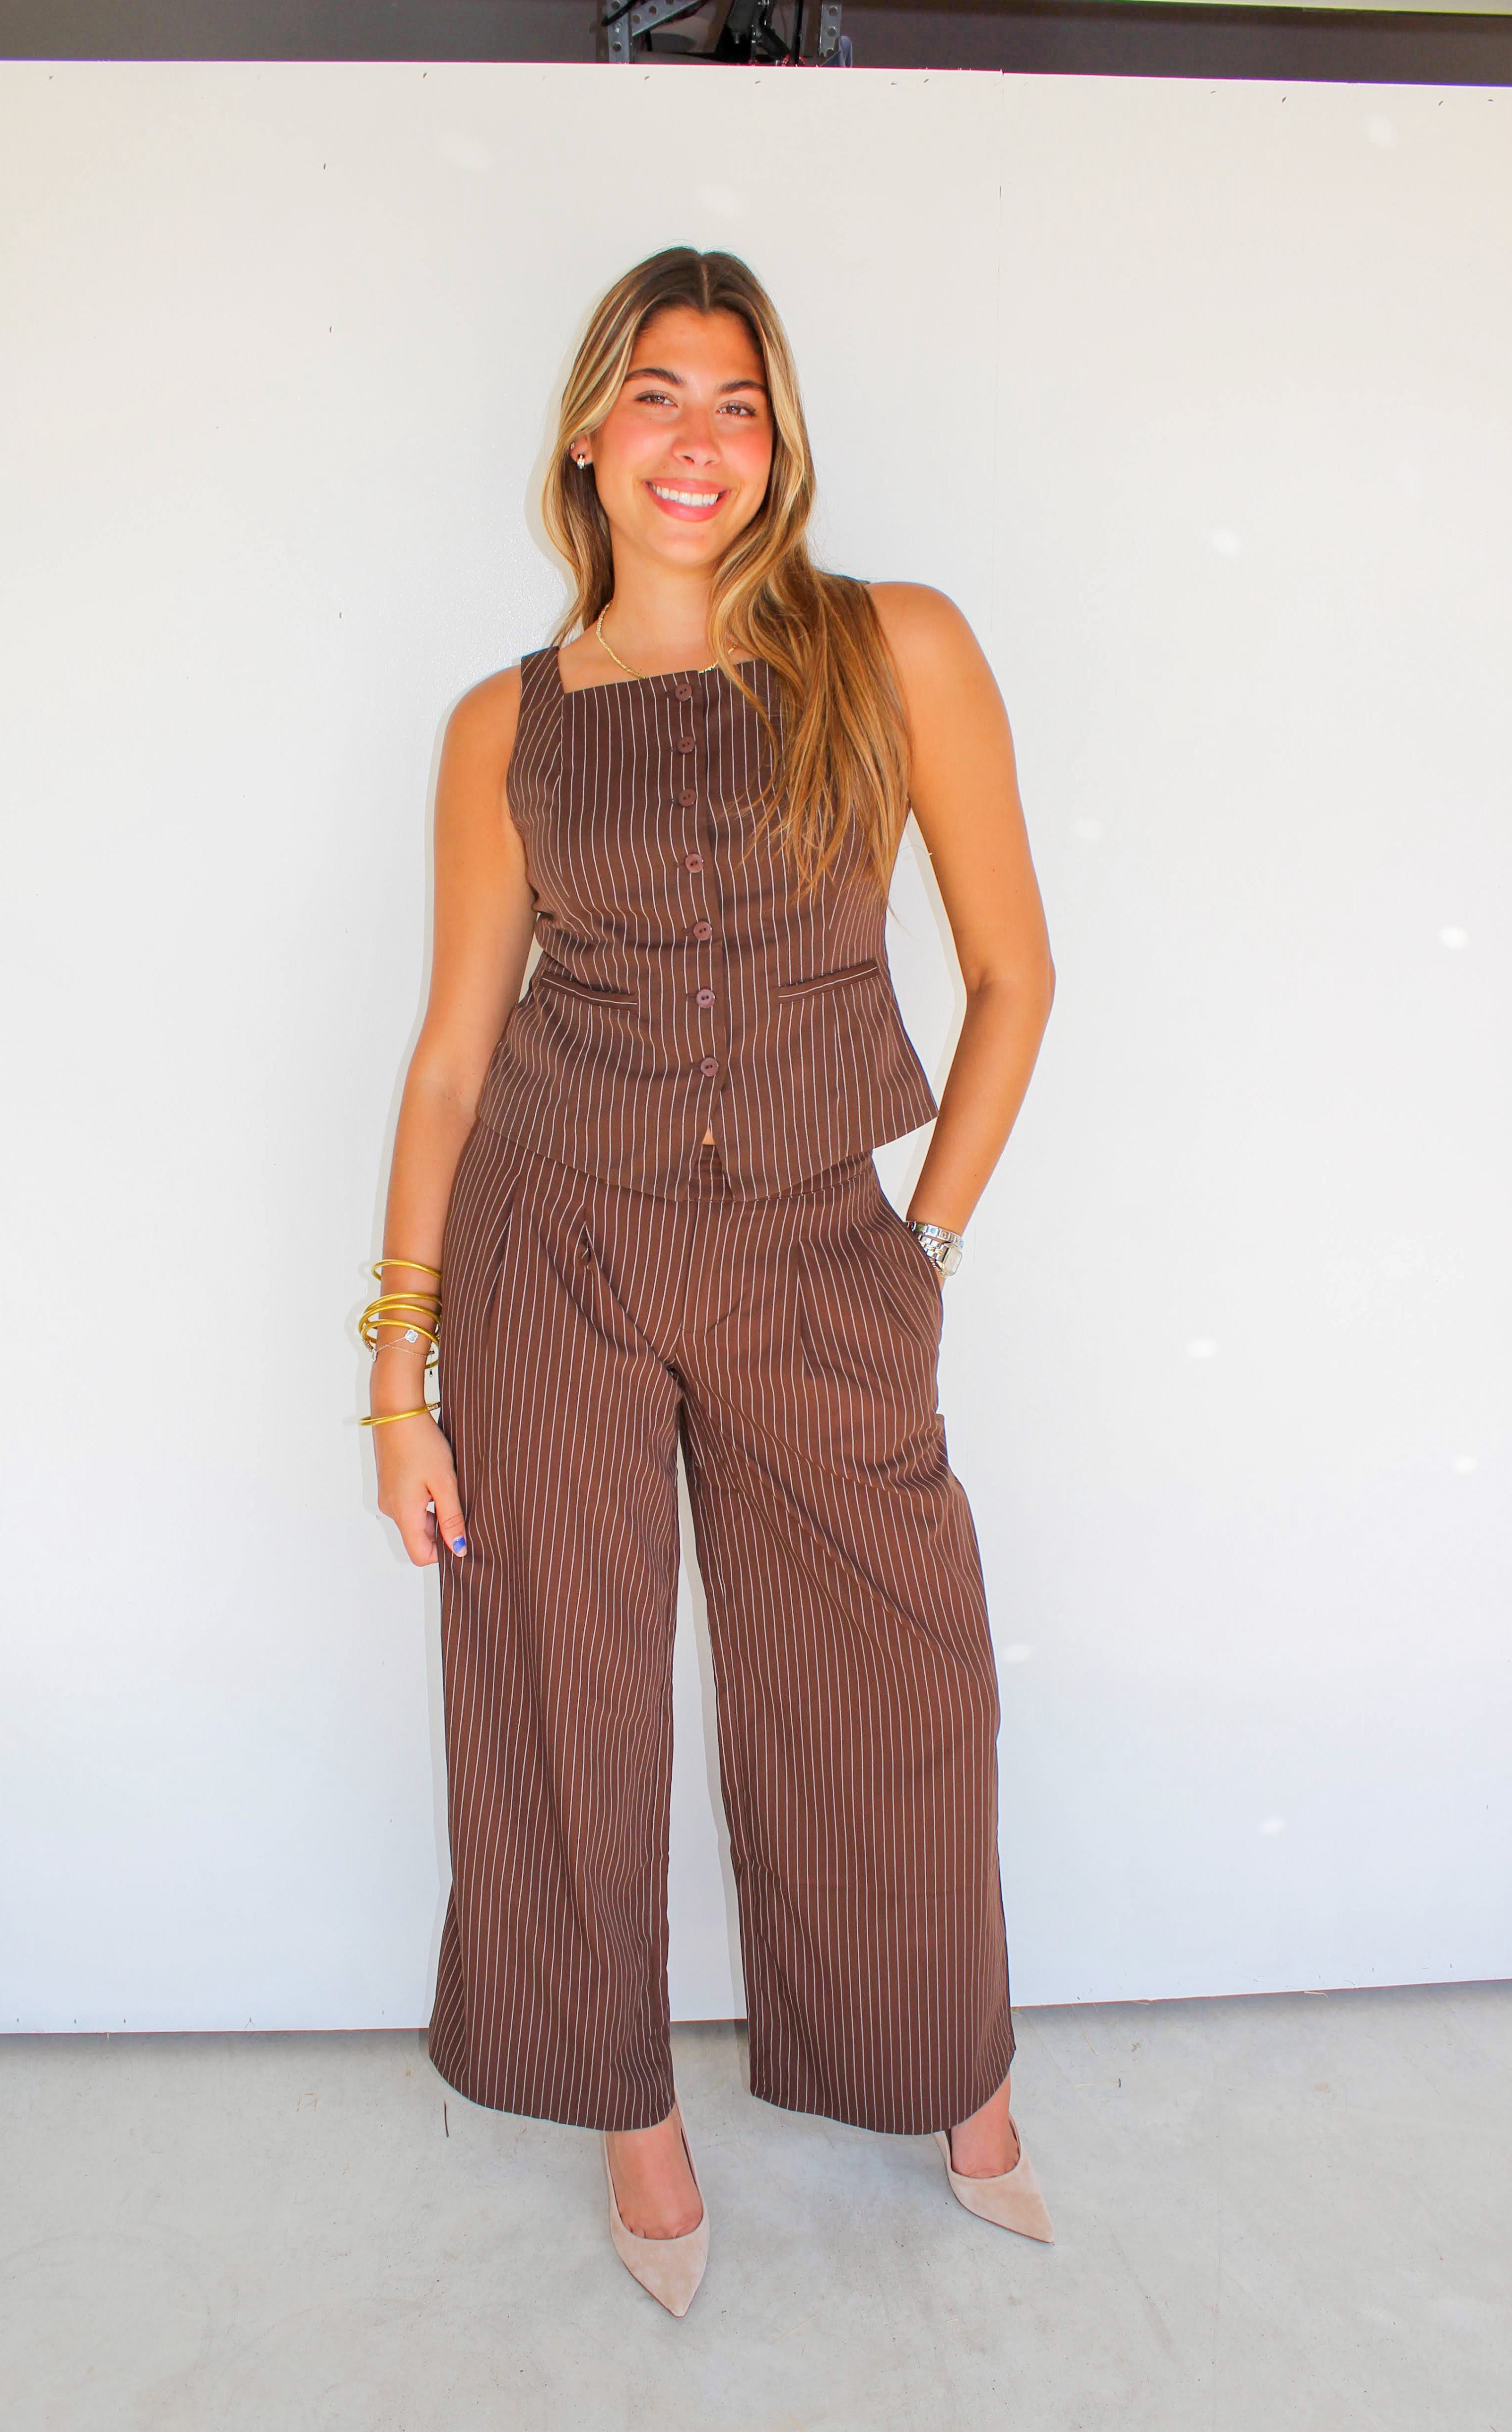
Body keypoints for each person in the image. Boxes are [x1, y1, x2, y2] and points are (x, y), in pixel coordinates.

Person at [359, 246, 1057, 2317]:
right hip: (551, 1246)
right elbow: (451, 1056)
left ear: (779, 441)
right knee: (557, 1696)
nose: (698, 439)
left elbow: (1016, 974)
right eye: (657, 394)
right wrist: (400, 1377)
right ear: (589, 433)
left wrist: (923, 1246)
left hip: (819, 1251)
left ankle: (956, 2079)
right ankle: (633, 2126)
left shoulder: (891, 645)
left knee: (895, 1680)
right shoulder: (504, 724)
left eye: (737, 402)